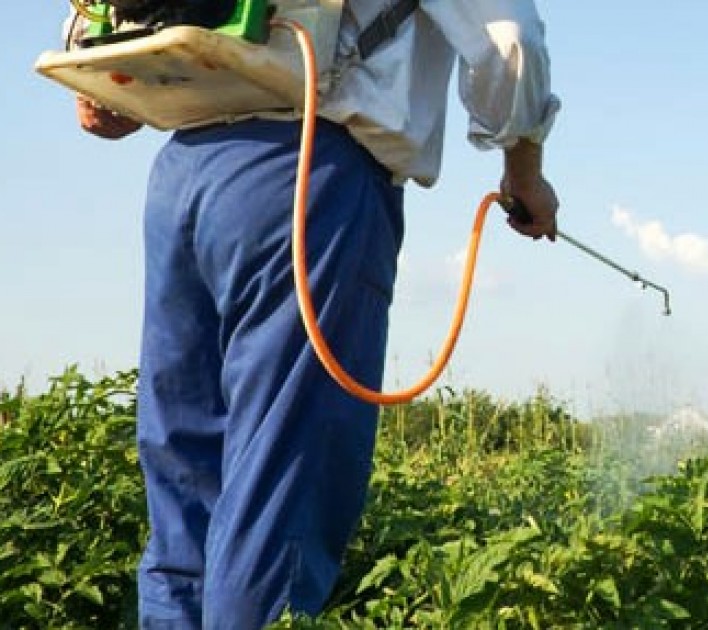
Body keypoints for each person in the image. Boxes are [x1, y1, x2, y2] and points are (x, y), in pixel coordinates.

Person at [74, 1, 560, 627]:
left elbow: (97, 29)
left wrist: (106, 85)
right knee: (279, 489)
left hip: (184, 177)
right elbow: (508, 41)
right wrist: (524, 170)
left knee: (185, 476)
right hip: (306, 172)